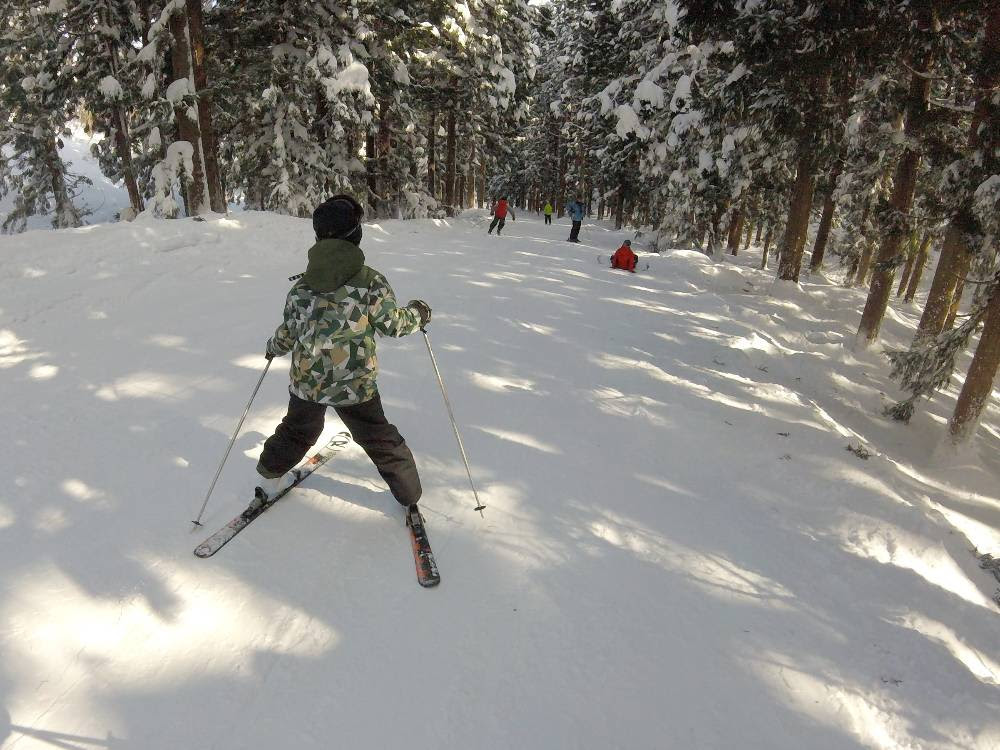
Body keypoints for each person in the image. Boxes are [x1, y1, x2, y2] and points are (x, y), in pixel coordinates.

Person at [255, 194, 432, 515]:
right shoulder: (369, 283)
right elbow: (393, 325)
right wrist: (418, 314)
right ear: (355, 236)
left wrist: (273, 347)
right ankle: (409, 495)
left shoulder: (301, 288)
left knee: (298, 430)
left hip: (307, 382)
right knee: (378, 437)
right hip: (354, 384)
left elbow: (289, 331)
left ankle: (269, 477)